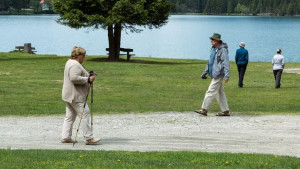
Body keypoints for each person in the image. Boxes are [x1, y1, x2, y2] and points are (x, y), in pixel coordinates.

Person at [61, 46, 100, 145]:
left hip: (69, 95)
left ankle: (66, 137)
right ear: (80, 56)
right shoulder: (75, 65)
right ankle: (88, 138)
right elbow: (74, 78)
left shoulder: (69, 62)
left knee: (70, 116)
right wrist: (88, 79)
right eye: (84, 56)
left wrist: (88, 74)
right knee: (84, 114)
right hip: (76, 95)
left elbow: (77, 75)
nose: (84, 58)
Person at [195, 33, 230, 116]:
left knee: (210, 91)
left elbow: (226, 63)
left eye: (213, 39)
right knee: (219, 92)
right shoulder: (214, 49)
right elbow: (210, 62)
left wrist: (227, 75)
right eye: (211, 39)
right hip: (214, 73)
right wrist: (204, 72)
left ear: (218, 41)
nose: (211, 41)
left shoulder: (222, 49)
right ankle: (225, 111)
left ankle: (204, 109)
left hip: (218, 74)